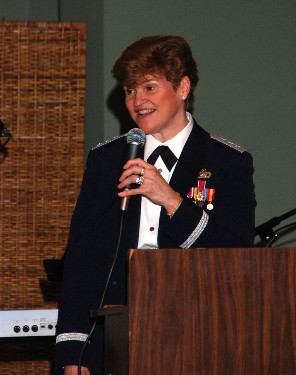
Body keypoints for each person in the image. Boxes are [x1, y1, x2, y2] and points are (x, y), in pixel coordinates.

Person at [54, 35, 256, 374]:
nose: (137, 101)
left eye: (149, 87)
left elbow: (235, 254)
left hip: (197, 337)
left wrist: (171, 199)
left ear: (182, 88)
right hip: (111, 339)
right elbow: (80, 259)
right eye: (130, 90)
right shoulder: (106, 160)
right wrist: (71, 352)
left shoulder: (227, 162)